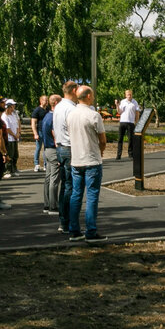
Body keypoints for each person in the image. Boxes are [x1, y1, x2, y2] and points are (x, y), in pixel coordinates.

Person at [67, 85, 107, 242]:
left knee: (76, 195)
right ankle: (91, 231)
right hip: (91, 160)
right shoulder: (94, 115)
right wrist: (100, 151)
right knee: (91, 196)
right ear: (88, 96)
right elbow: (102, 140)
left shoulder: (71, 115)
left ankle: (74, 230)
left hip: (76, 160)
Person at [52, 81, 79, 234]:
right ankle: (68, 222)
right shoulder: (70, 108)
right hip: (70, 148)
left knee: (65, 186)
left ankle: (63, 221)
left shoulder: (59, 106)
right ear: (74, 91)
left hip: (61, 147)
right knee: (71, 187)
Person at [40, 94, 61, 221]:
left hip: (47, 149)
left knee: (48, 177)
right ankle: (53, 206)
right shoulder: (54, 118)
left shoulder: (46, 116)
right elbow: (55, 135)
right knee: (54, 178)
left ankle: (47, 204)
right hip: (53, 150)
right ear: (57, 103)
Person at [116, 89, 139, 159]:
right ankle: (118, 155)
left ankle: (130, 154)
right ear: (125, 95)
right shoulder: (123, 102)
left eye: (130, 94)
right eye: (128, 94)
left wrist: (137, 122)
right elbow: (119, 112)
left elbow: (137, 112)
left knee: (131, 139)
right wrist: (117, 105)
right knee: (120, 138)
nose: (129, 96)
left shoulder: (135, 102)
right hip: (123, 121)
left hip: (131, 122)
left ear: (132, 95)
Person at [30, 95, 49, 172]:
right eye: (45, 100)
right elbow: (33, 123)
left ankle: (45, 164)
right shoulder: (37, 110)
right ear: (41, 101)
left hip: (46, 132)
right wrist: (35, 134)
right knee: (38, 148)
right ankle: (36, 164)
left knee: (46, 149)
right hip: (39, 131)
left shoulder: (48, 109)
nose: (47, 102)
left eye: (47, 100)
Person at [3, 99, 20, 177]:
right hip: (9, 138)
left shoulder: (13, 115)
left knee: (15, 155)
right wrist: (14, 135)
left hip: (14, 138)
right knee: (10, 154)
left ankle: (13, 169)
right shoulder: (4, 116)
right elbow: (7, 128)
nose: (12, 108)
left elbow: (16, 126)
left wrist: (17, 134)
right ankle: (7, 170)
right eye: (10, 107)